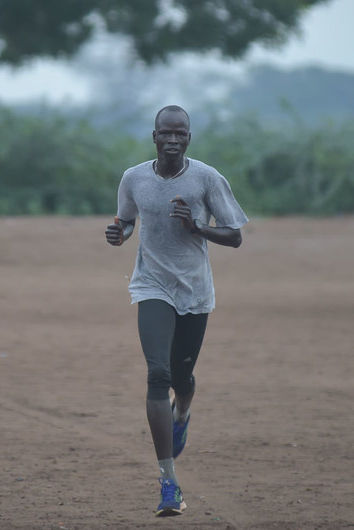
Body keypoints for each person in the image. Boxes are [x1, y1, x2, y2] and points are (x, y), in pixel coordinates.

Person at [104, 105, 249, 517]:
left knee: (182, 378)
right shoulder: (134, 178)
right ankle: (169, 484)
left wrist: (197, 227)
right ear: (154, 136)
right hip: (151, 284)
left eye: (180, 133)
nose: (172, 139)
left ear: (188, 138)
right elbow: (127, 221)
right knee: (158, 374)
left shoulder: (206, 178)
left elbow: (235, 236)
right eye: (165, 133)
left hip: (195, 291)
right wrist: (120, 233)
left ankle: (182, 410)